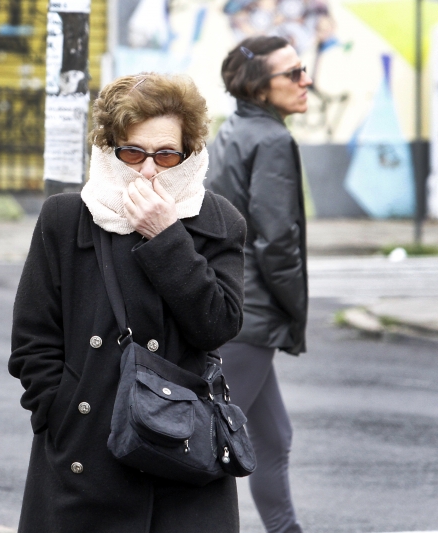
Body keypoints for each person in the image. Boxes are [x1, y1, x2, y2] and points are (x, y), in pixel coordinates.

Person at [9, 73, 247, 533]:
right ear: (110, 148)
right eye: (133, 153)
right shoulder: (66, 217)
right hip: (84, 458)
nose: (149, 170)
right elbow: (33, 337)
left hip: (182, 459)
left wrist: (166, 236)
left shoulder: (217, 220)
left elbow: (217, 325)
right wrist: (60, 416)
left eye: (166, 154)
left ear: (190, 151)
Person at [206, 35, 312, 533]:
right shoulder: (271, 140)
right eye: (292, 74)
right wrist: (294, 311)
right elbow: (276, 241)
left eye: (303, 69)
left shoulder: (235, 130)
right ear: (260, 88)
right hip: (251, 315)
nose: (305, 80)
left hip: (234, 305)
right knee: (207, 446)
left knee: (272, 438)